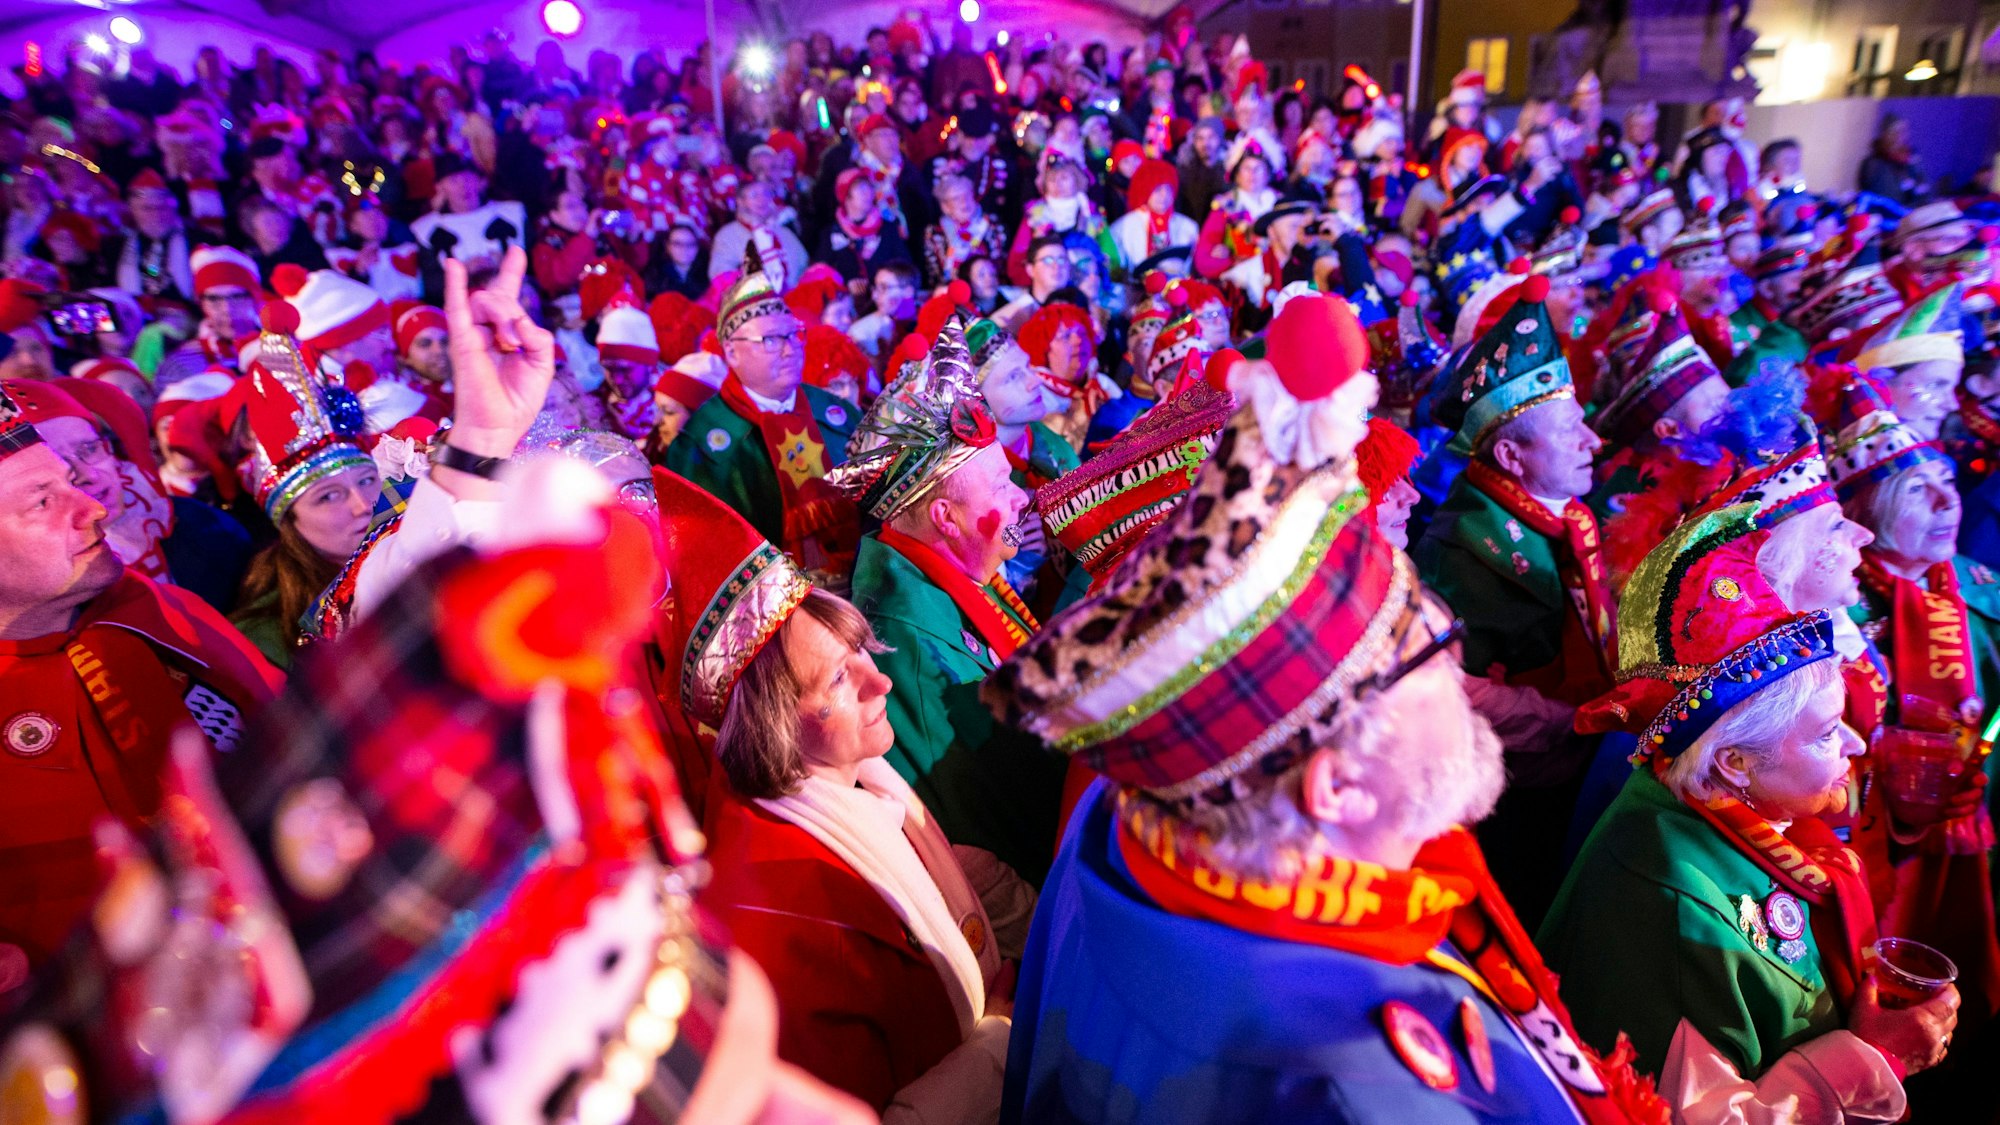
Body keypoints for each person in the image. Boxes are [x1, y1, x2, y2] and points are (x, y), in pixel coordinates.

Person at [987, 293, 1664, 1124]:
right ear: (1333, 788)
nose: (1455, 639)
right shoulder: (1361, 1087)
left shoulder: (1116, 835)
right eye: (1421, 653)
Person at [1546, 507, 1954, 1119]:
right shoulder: (1673, 902)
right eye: (1823, 735)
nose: (1858, 745)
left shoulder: (1736, 812)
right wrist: (1876, 1056)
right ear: (1733, 762)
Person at [659, 468, 1019, 1119]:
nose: (879, 683)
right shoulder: (782, 922)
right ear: (772, 725)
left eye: (863, 653)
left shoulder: (853, 785)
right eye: (837, 680)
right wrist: (997, 1039)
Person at [0, 380, 282, 970]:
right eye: (43, 501)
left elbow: (301, 740)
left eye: (73, 481)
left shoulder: (162, 608)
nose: (96, 506)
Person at [827, 316, 1068, 883]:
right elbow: (993, 823)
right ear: (946, 517)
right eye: (1002, 488)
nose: (1020, 501)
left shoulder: (956, 579)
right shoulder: (906, 642)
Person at [1416, 273, 1616, 926]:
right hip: (1517, 805)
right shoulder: (1458, 554)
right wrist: (1578, 723)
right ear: (1510, 453)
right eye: (1569, 430)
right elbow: (1454, 699)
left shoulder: (1568, 518)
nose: (1594, 441)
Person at [663, 246, 859, 581]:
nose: (789, 349)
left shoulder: (835, 413)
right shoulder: (700, 444)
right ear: (731, 352)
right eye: (770, 339)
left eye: (793, 335)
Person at [227, 303, 383, 670]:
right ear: (289, 523)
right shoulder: (265, 637)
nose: (364, 505)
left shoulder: (424, 562)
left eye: (366, 480)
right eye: (329, 495)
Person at [1102, 158, 1198, 282]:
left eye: (1168, 189)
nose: (1164, 196)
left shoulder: (1188, 226)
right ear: (1145, 190)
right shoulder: (1124, 226)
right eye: (1158, 190)